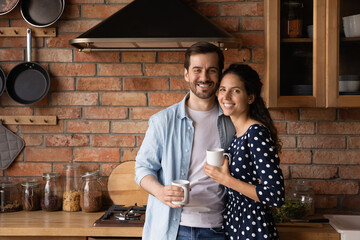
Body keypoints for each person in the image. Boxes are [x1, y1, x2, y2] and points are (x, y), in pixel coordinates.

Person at [135, 42, 235, 240]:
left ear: (220, 75)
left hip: (218, 229)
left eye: (211, 70)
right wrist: (160, 191)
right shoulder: (163, 121)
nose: (204, 78)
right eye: (197, 70)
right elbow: (142, 168)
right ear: (186, 74)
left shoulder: (232, 121)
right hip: (173, 230)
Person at [204, 64, 285, 240]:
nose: (225, 96)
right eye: (222, 89)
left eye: (235, 91)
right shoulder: (238, 134)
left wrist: (225, 179)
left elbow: (275, 195)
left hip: (253, 228)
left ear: (250, 97)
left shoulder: (255, 132)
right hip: (237, 224)